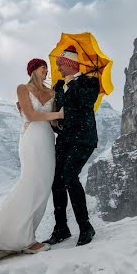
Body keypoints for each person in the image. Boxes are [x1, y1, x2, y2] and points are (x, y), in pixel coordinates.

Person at [0, 58, 63, 255]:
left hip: (47, 139)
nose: (46, 70)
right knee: (30, 183)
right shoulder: (23, 88)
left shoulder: (52, 92)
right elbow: (31, 116)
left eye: (47, 67)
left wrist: (60, 115)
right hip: (31, 138)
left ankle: (28, 236)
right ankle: (12, 236)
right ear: (33, 70)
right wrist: (58, 115)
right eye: (42, 67)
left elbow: (54, 125)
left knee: (43, 188)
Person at [44, 45, 99, 247]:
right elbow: (59, 113)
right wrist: (55, 123)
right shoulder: (59, 87)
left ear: (70, 64)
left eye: (61, 64)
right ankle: (61, 228)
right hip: (65, 139)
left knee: (69, 175)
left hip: (84, 139)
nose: (58, 68)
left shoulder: (89, 82)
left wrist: (73, 84)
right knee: (56, 180)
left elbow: (86, 103)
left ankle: (85, 227)